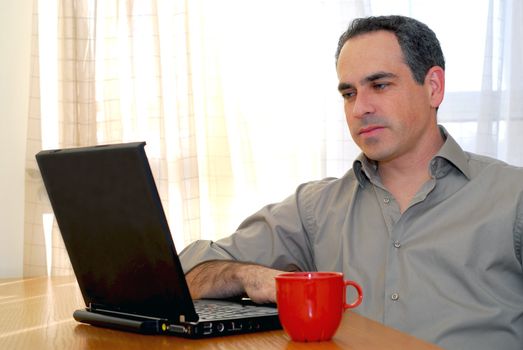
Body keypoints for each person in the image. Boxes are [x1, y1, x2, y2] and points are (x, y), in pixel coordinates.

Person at [179, 15, 523, 350]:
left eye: (380, 85)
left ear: (433, 87)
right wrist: (247, 277)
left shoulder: (513, 196)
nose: (360, 108)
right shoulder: (314, 208)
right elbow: (186, 271)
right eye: (348, 93)